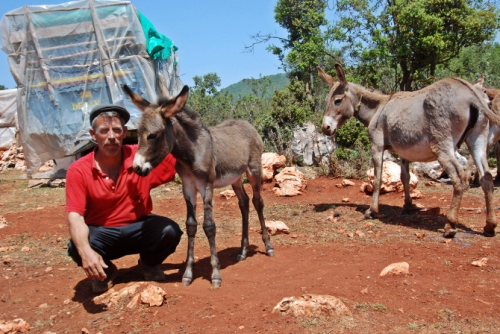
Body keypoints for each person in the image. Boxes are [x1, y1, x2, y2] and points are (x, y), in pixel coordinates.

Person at [65, 104, 182, 293]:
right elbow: (75, 216)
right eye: (104, 131)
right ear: (93, 135)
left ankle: (149, 264)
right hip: (101, 234)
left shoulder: (140, 156)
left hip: (139, 228)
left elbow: (179, 157)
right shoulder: (78, 170)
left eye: (116, 130)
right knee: (77, 246)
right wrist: (86, 252)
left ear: (124, 132)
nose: (111, 136)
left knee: (170, 231)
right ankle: (106, 271)